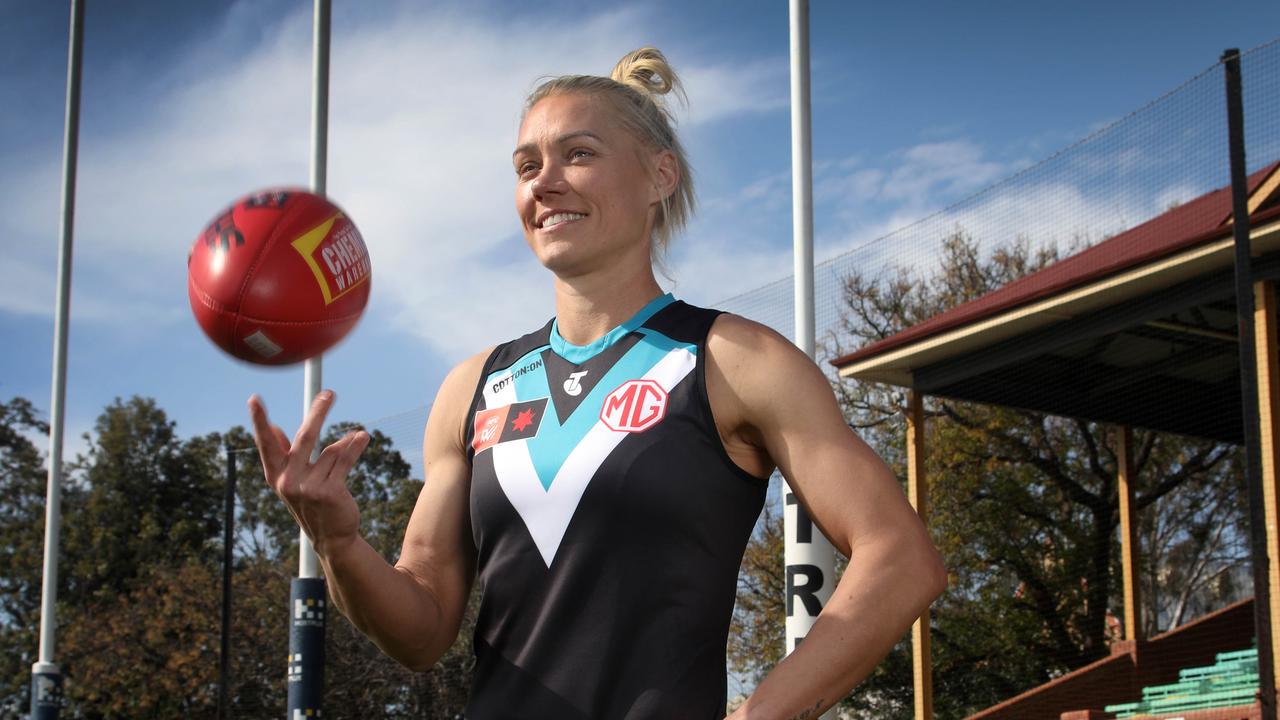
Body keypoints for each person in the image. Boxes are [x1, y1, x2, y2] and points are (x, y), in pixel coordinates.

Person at [249, 47, 945, 720]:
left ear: (659, 176)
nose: (543, 183)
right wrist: (340, 543)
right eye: (527, 165)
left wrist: (762, 714)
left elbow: (901, 558)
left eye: (578, 154)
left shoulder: (734, 360)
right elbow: (421, 632)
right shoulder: (474, 388)